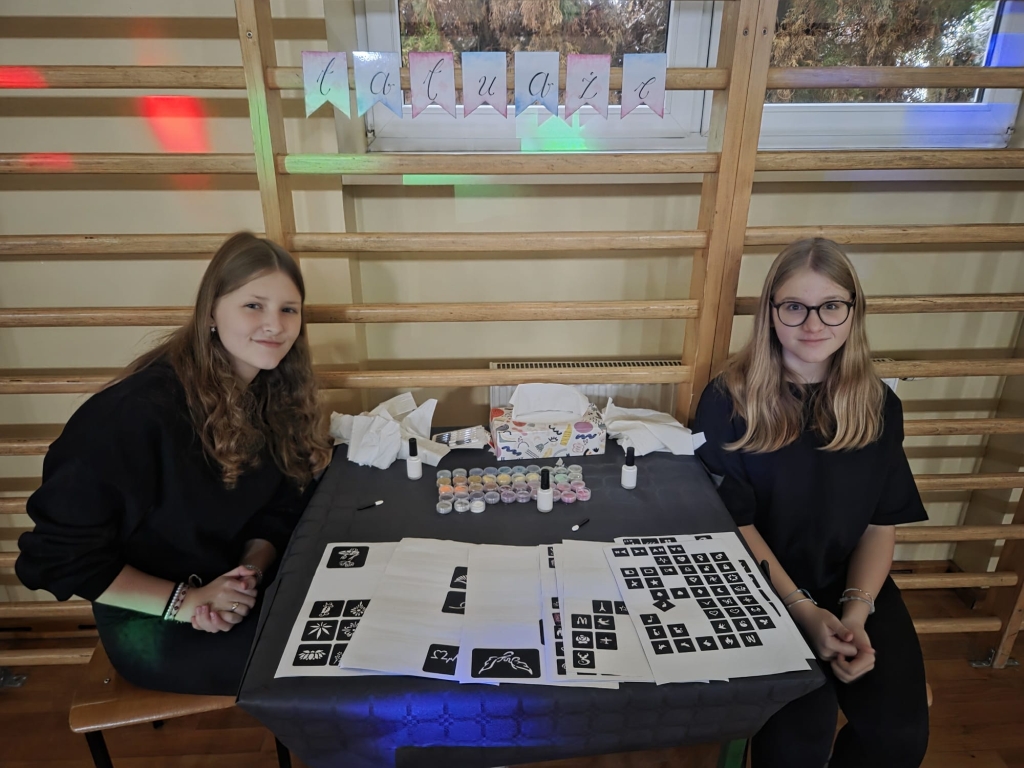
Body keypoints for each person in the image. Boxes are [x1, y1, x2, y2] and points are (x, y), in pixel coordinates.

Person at [16, 232, 333, 696]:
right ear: (210, 313)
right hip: (153, 623)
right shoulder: (132, 415)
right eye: (253, 306)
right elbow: (58, 558)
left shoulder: (271, 393)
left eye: (289, 309)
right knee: (332, 661)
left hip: (236, 592)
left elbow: (279, 506)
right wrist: (189, 601)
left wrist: (247, 575)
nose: (275, 325)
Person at [693, 238, 930, 767]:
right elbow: (736, 526)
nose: (813, 323)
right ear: (771, 312)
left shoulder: (879, 404)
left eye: (831, 306)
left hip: (850, 582)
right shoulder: (727, 400)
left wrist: (856, 615)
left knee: (900, 737)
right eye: (795, 307)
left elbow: (879, 524)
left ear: (853, 310)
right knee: (797, 742)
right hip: (759, 586)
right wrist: (802, 611)